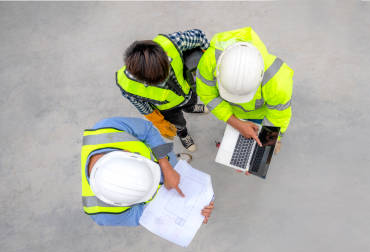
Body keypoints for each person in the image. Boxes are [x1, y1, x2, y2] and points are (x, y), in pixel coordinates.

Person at [81, 117, 213, 226]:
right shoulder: (102, 215)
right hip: (163, 192)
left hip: (163, 161)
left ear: (126, 153)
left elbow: (148, 131)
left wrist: (166, 165)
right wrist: (191, 214)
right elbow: (146, 216)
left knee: (172, 160)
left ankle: (175, 161)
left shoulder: (108, 128)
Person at [196, 27, 293, 155]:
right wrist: (236, 123)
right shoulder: (209, 61)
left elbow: (278, 117)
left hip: (260, 116)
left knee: (256, 152)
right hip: (233, 114)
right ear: (218, 70)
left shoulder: (278, 81)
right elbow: (208, 96)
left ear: (261, 75)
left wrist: (268, 143)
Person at [116, 29, 210, 152]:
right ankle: (183, 134)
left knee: (191, 101)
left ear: (164, 54)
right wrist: (161, 123)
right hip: (168, 109)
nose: (165, 80)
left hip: (187, 91)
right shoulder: (128, 86)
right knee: (179, 124)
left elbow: (199, 36)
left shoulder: (173, 43)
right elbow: (144, 108)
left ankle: (190, 108)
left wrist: (210, 61)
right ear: (141, 78)